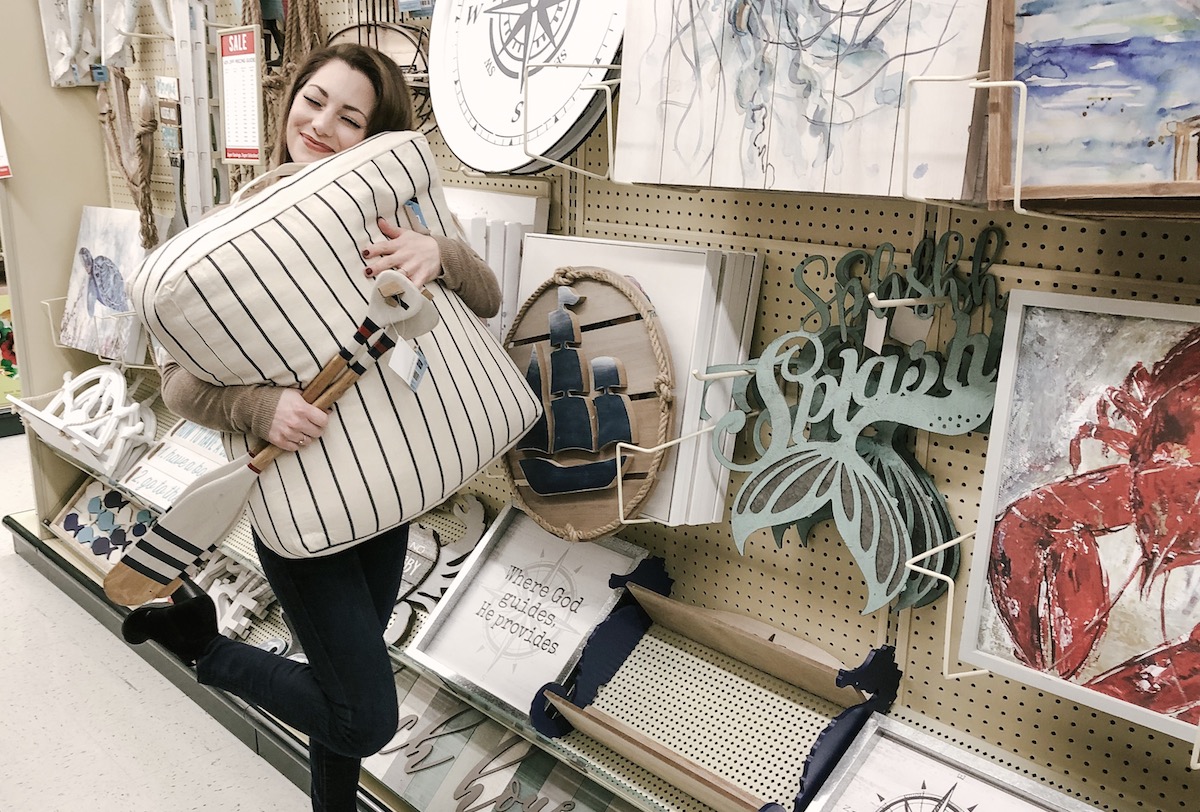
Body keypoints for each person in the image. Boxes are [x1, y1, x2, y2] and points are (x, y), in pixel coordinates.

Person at [120, 43, 500, 812]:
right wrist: (260, 407)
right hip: (299, 500)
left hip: (386, 482)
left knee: (338, 686)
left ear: (376, 137)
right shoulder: (228, 232)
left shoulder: (386, 213)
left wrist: (439, 251)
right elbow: (177, 384)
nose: (322, 123)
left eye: (350, 117)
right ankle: (199, 641)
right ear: (289, 98)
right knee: (363, 712)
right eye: (313, 99)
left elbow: (487, 300)